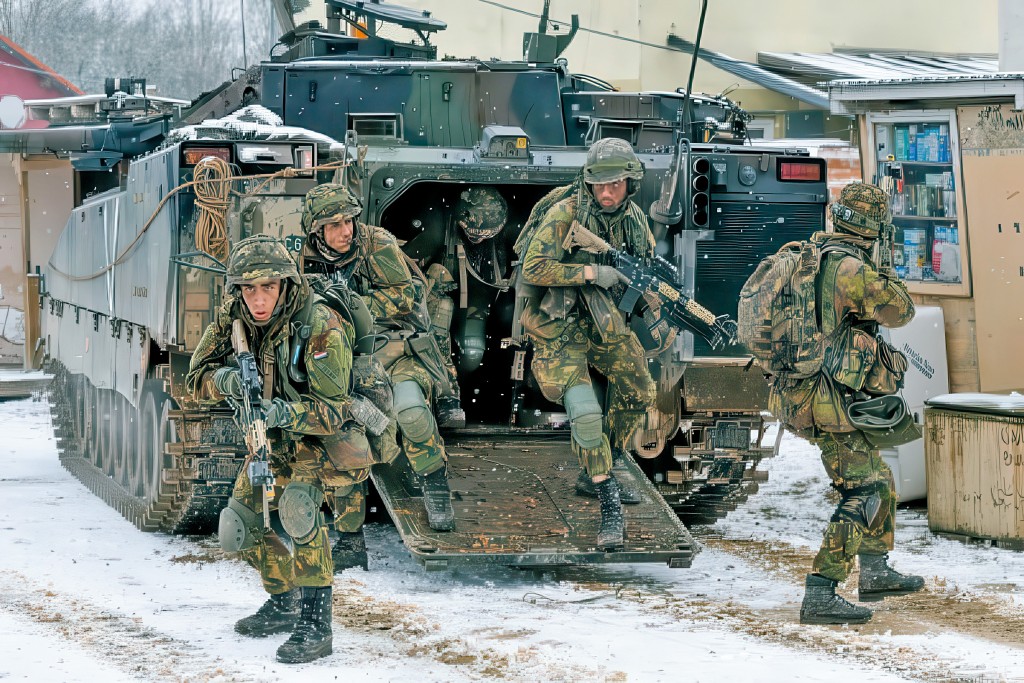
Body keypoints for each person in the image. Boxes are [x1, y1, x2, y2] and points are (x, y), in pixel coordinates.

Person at [186, 235, 370, 663]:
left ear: (285, 284)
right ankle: (284, 597)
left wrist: (280, 414)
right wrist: (226, 381)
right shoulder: (233, 319)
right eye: (248, 289)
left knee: (298, 513)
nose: (258, 298)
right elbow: (194, 383)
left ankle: (316, 623)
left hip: (320, 438)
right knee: (237, 529)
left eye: (267, 287)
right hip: (269, 440)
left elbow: (333, 412)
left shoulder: (320, 325)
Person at [768, 182, 925, 625]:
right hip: (827, 401)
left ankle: (874, 570)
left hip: (804, 391)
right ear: (874, 228)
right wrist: (888, 265)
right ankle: (821, 589)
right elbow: (901, 311)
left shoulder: (813, 254)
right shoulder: (850, 269)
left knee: (879, 477)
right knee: (867, 488)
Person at [515, 137, 656, 551]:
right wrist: (591, 274)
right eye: (599, 184)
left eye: (615, 184)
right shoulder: (566, 213)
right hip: (559, 328)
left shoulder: (633, 220)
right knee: (587, 415)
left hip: (603, 323)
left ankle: (599, 464)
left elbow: (642, 266)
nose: (606, 192)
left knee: (640, 389)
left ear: (631, 183)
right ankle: (608, 502)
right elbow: (534, 267)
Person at [299, 183, 456, 533]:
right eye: (335, 224)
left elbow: (404, 296)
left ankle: (434, 481)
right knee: (343, 435)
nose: (346, 231)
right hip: (339, 362)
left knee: (411, 411)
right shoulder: (302, 260)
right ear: (316, 231)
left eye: (350, 221)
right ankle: (350, 534)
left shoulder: (376, 244)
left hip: (393, 348)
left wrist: (350, 308)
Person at [402, 185, 514, 426]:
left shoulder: (499, 239)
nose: (477, 237)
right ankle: (444, 399)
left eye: (485, 233)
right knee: (439, 323)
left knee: (473, 355)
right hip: (440, 304)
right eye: (473, 232)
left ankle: (463, 391)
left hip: (476, 306)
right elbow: (404, 264)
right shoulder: (440, 228)